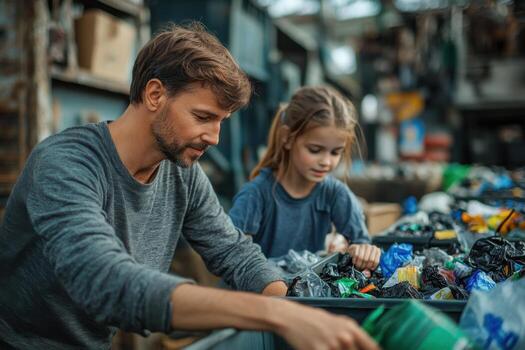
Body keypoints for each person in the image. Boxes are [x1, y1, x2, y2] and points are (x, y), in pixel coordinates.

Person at [0, 23, 379, 350]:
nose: (214, 136)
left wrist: (300, 306)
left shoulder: (181, 172)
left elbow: (233, 252)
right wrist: (272, 314)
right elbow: (104, 279)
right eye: (203, 116)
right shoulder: (65, 165)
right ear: (155, 94)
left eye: (222, 121)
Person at [229, 86, 381, 271]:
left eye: (335, 152)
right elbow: (233, 257)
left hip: (306, 295)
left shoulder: (335, 194)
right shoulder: (256, 195)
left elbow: (363, 244)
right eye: (315, 150)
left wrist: (361, 251)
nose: (326, 162)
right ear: (287, 138)